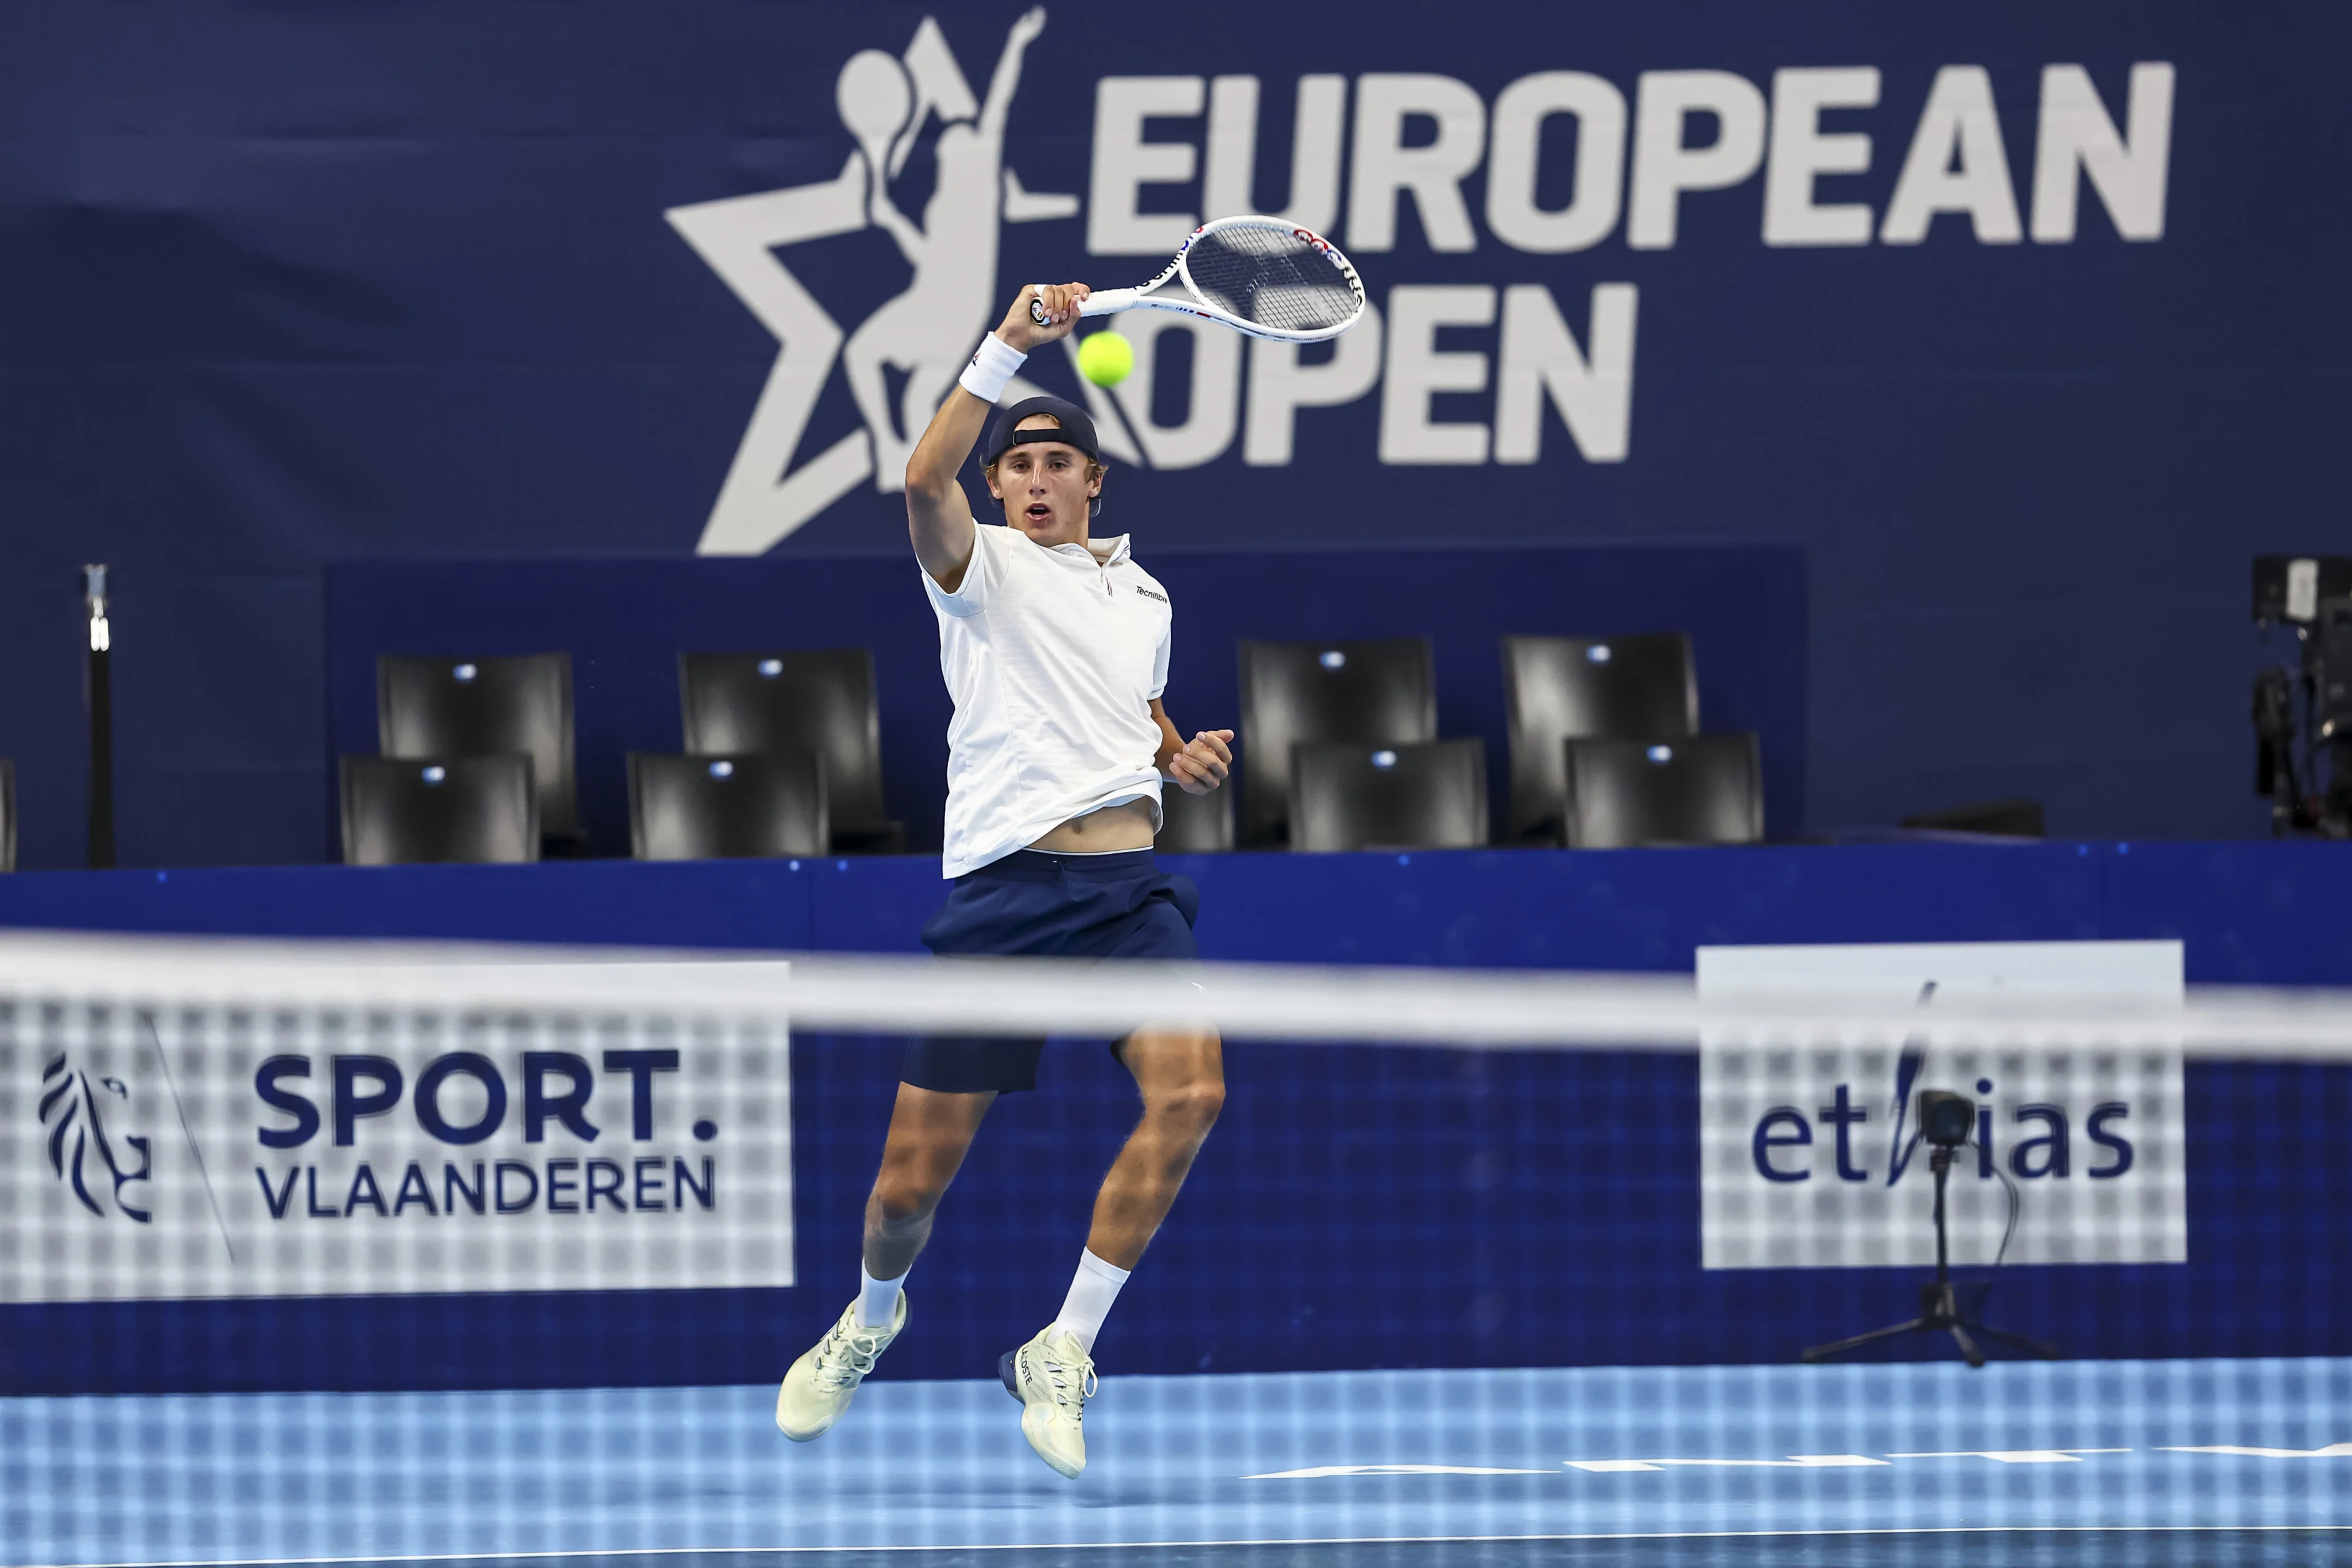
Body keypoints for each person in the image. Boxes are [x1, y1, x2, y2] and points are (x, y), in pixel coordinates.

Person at [775, 281, 1235, 1479]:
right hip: (1006, 902)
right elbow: (920, 482)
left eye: (1055, 461)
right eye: (1016, 462)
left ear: (1095, 484)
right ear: (998, 485)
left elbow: (1133, 705)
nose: (1032, 476)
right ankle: (873, 1318)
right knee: (901, 1197)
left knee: (1192, 1096)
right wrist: (1002, 350)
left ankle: (1064, 1344)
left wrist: (1173, 757)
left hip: (1130, 895)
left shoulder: (1147, 597)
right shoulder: (975, 570)